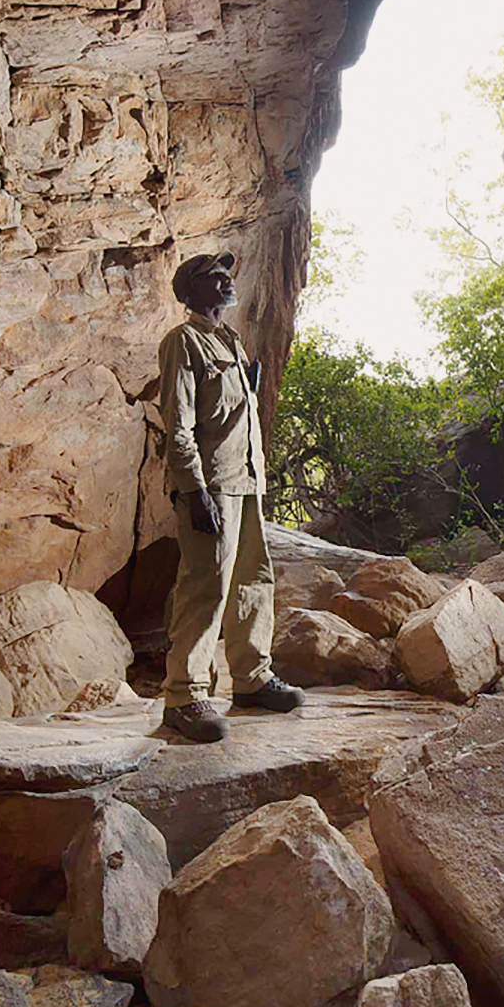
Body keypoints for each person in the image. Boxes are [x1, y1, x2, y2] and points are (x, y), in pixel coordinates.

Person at [155, 250, 304, 743]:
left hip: (246, 481)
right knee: (206, 587)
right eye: (214, 278)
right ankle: (184, 695)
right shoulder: (183, 342)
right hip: (212, 484)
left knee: (253, 581)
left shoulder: (232, 343)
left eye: (226, 277)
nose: (224, 284)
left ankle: (252, 678)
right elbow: (179, 424)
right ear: (191, 291)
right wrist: (194, 490)